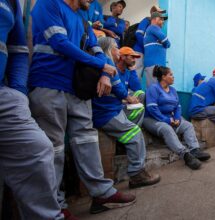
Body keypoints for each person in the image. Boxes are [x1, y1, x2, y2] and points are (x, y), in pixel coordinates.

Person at [29, 0, 134, 218]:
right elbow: (59, 42)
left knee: (87, 139)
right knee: (54, 146)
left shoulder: (83, 21)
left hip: (78, 89)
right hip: (49, 83)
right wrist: (100, 66)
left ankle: (101, 192)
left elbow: (99, 53)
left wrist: (105, 73)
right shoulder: (48, 4)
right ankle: (56, 206)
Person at [0, 0, 62, 219]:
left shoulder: (11, 3)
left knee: (38, 149)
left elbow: (17, 48)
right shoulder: (49, 5)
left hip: (5, 97)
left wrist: (17, 91)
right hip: (49, 83)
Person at [92, 37, 160, 189]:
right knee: (135, 134)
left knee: (139, 108)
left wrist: (132, 72)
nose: (117, 49)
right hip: (106, 113)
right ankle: (136, 175)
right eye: (115, 47)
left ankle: (127, 142)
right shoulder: (107, 64)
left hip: (115, 109)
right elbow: (120, 90)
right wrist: (127, 98)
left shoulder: (111, 66)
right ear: (110, 50)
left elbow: (135, 88)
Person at [143, 66, 210, 170]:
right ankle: (185, 155)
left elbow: (178, 107)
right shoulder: (153, 88)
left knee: (188, 125)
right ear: (164, 77)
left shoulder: (173, 90)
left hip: (170, 118)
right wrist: (167, 120)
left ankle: (194, 150)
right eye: (171, 75)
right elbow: (152, 108)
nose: (173, 77)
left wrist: (177, 118)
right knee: (167, 128)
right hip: (152, 119)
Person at [134, 5, 166, 79]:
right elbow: (138, 34)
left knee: (143, 74)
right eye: (158, 12)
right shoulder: (146, 20)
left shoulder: (156, 27)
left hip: (147, 53)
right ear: (153, 13)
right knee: (137, 73)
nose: (160, 15)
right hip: (139, 51)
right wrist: (146, 47)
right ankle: (132, 91)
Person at [117, 47, 145, 121]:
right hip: (115, 104)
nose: (134, 60)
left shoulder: (127, 72)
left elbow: (137, 88)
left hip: (125, 101)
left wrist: (133, 70)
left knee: (141, 94)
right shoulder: (114, 70)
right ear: (122, 57)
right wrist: (126, 100)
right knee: (140, 110)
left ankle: (129, 122)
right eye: (132, 57)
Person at [144, 11, 170, 86]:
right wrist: (164, 42)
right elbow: (166, 41)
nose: (163, 22)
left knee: (157, 89)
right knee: (154, 89)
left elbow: (167, 44)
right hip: (154, 65)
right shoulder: (153, 27)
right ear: (154, 19)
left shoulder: (151, 29)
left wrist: (163, 42)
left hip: (155, 65)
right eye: (161, 19)